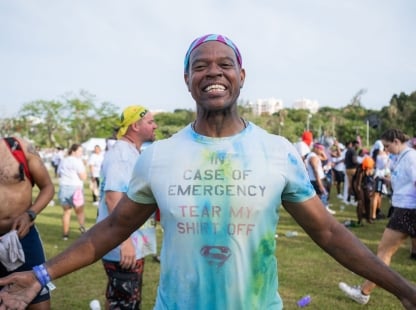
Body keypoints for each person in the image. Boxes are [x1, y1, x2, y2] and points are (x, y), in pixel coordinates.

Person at [0, 34, 415, 310]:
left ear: (241, 76)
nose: (213, 71)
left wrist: (403, 290)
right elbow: (112, 229)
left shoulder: (276, 152)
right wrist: (41, 274)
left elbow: (329, 233)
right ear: (187, 79)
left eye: (225, 64)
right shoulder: (159, 155)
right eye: (201, 65)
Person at [339, 128, 416, 305]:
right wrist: (388, 180)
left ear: (397, 141)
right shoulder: (404, 156)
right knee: (384, 252)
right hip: (404, 208)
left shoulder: (411, 157)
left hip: (407, 210)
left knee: (383, 252)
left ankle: (363, 292)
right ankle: (363, 291)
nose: (386, 150)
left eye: (388, 146)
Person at [97, 105, 158, 309]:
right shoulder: (122, 155)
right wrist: (125, 243)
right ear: (135, 126)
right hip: (123, 247)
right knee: (125, 304)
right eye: (150, 122)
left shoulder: (130, 152)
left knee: (121, 301)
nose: (155, 126)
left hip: (130, 243)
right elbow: (113, 198)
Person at [0, 137, 55, 309]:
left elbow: (47, 187)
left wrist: (30, 214)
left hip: (23, 238)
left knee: (38, 301)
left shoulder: (20, 148)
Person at [57, 144, 87, 240]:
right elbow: (83, 177)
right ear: (74, 151)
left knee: (66, 212)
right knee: (80, 212)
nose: (81, 153)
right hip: (76, 188)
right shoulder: (78, 162)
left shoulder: (63, 160)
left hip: (64, 187)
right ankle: (82, 230)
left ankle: (65, 234)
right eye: (80, 151)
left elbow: (58, 174)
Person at [305, 143, 336, 214]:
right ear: (316, 148)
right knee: (319, 198)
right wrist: (320, 185)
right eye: (320, 149)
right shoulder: (313, 157)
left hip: (319, 179)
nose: (322, 151)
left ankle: (323, 210)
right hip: (317, 180)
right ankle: (319, 212)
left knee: (323, 196)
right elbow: (315, 171)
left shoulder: (314, 155)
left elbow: (325, 159)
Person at [352, 156, 375, 224]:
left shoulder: (370, 169)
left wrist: (372, 191)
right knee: (361, 202)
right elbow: (358, 183)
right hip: (358, 185)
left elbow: (372, 181)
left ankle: (368, 218)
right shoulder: (360, 169)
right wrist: (358, 193)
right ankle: (360, 219)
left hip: (366, 185)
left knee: (368, 200)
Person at [344, 140, 360, 205]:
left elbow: (345, 161)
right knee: (355, 185)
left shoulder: (348, 151)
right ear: (354, 144)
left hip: (347, 169)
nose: (358, 146)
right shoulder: (354, 151)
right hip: (353, 169)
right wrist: (361, 164)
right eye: (357, 144)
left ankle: (348, 198)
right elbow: (354, 161)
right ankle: (354, 199)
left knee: (350, 185)